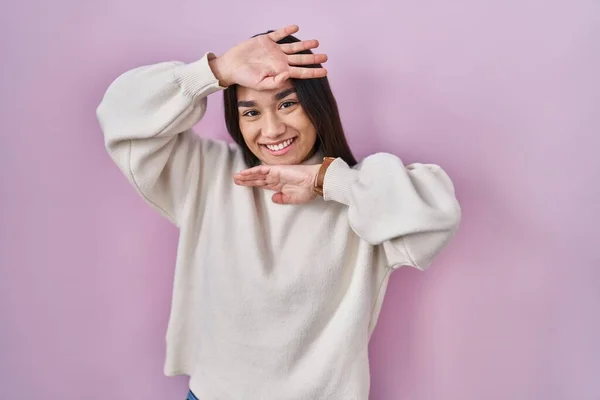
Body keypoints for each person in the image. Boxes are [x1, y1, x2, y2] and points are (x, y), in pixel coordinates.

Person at [96, 24, 461, 400]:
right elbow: (120, 113)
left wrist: (327, 182)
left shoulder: (359, 197)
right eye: (251, 112)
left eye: (287, 104)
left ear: (317, 108)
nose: (271, 130)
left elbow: (438, 214)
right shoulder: (207, 174)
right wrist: (215, 71)